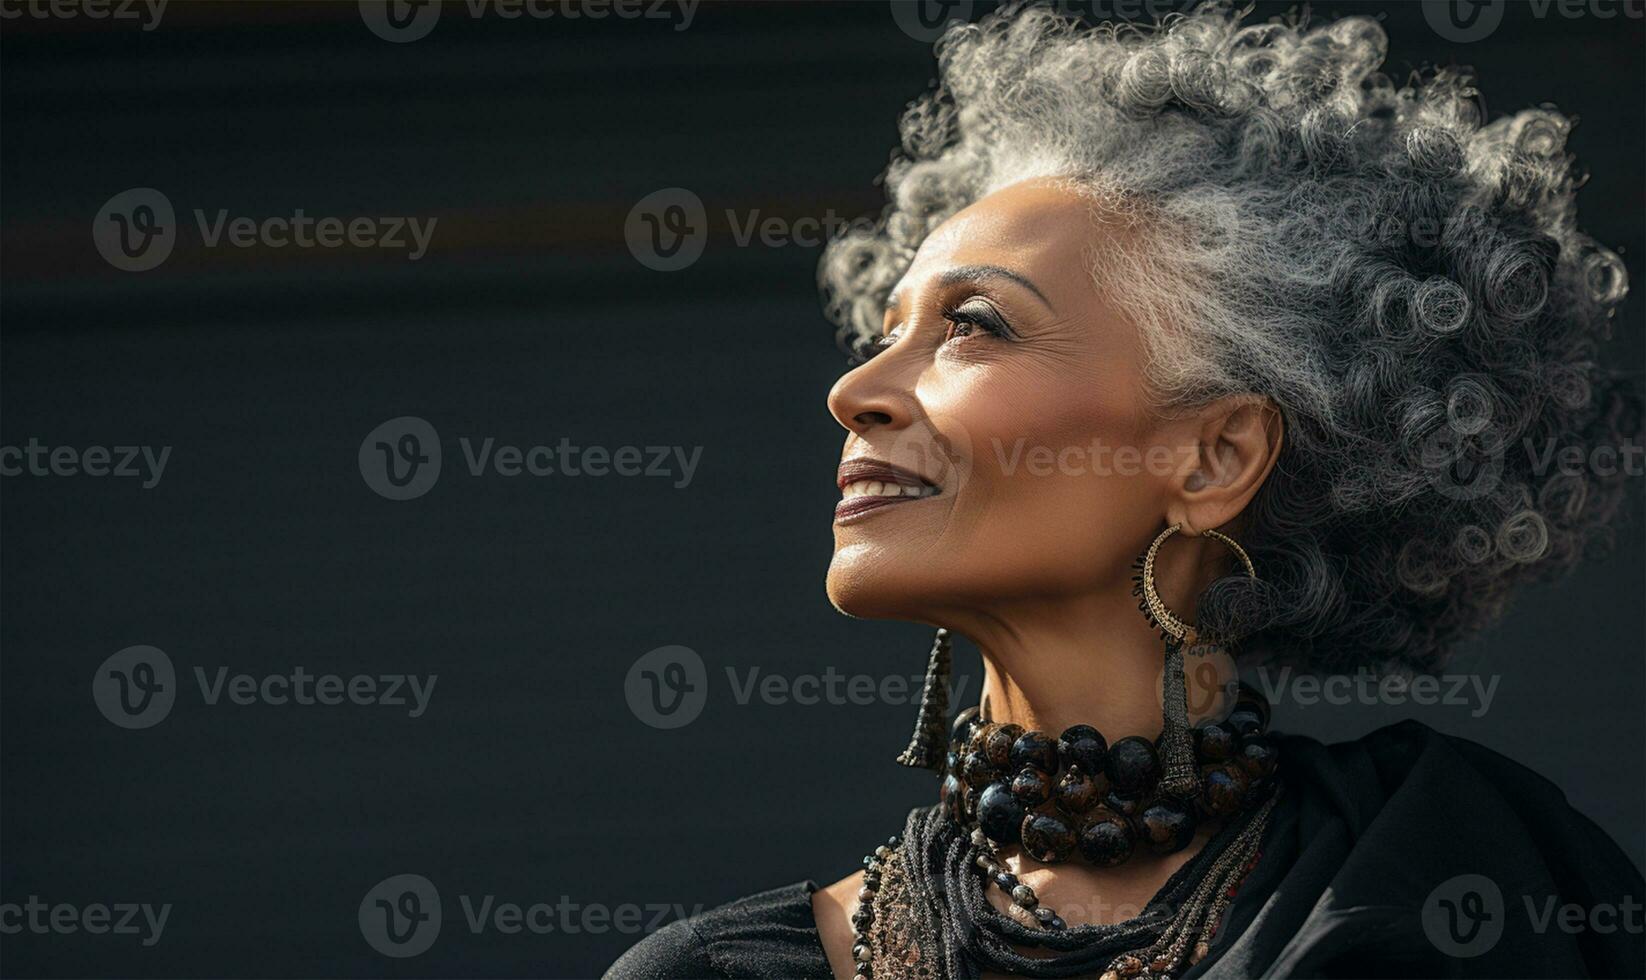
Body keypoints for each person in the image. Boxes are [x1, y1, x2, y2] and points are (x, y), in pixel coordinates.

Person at [609, 4, 1643, 977]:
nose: (853, 391)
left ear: (1213, 457)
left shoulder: (1461, 872)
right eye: (884, 334)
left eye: (971, 324)